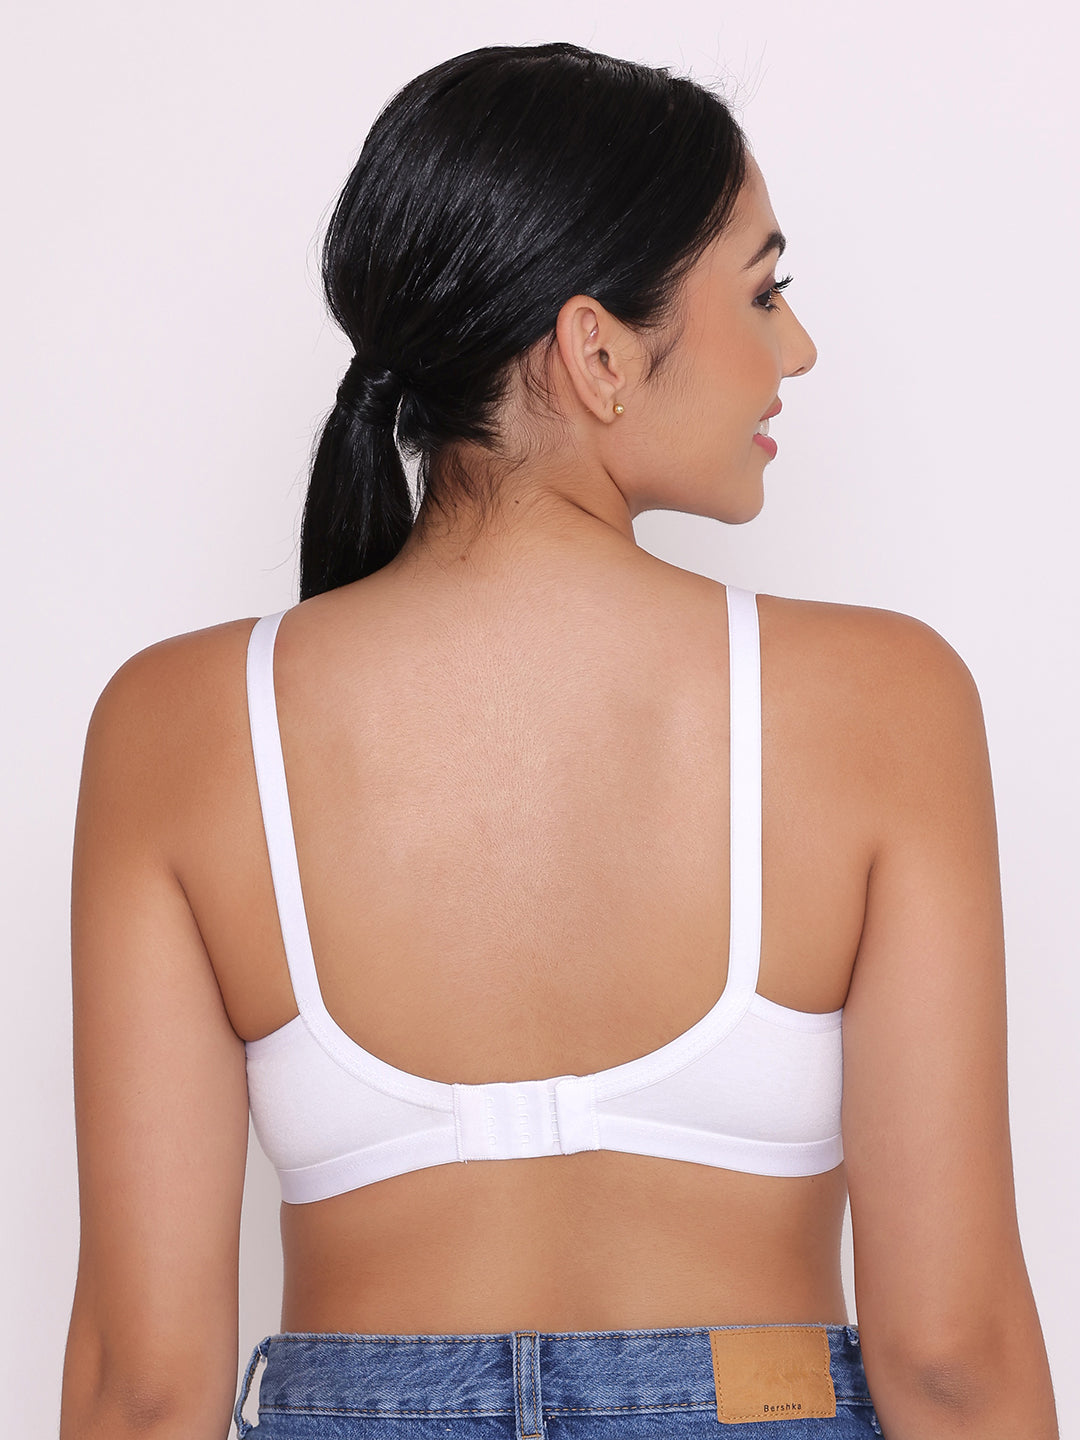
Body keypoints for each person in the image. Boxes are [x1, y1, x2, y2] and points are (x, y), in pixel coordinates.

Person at [59, 40, 1058, 1440]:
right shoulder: (883, 701)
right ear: (597, 351)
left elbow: (144, 1391)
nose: (797, 349)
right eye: (762, 292)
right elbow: (948, 1359)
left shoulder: (177, 725)